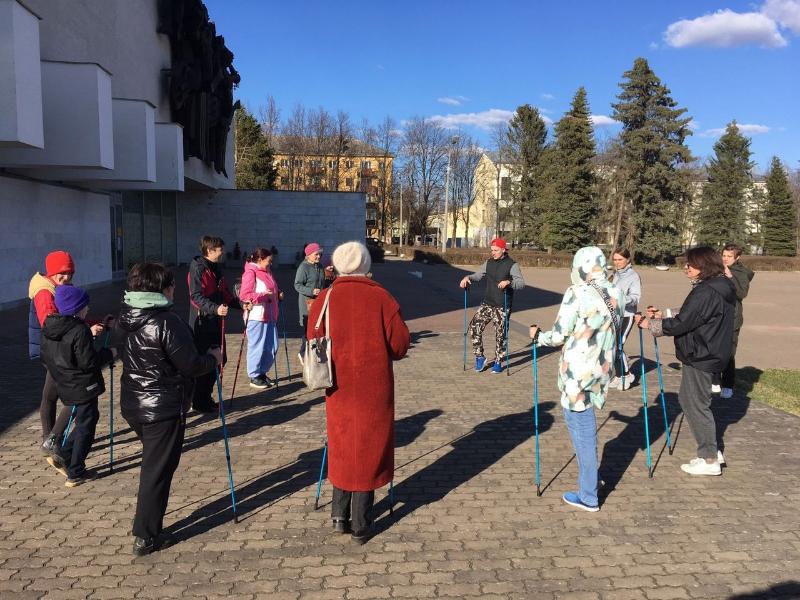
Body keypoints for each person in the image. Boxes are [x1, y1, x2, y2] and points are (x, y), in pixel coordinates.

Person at [307, 241, 410, 543]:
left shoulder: (326, 296)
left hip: (337, 385)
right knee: (368, 447)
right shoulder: (381, 297)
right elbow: (400, 345)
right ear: (365, 264)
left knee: (341, 443)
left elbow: (312, 334)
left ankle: (340, 515)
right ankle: (362, 523)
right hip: (372, 387)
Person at [117, 263, 222, 556]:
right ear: (159, 289)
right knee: (157, 471)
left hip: (135, 404)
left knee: (156, 466)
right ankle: (146, 534)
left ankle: (147, 526)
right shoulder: (166, 321)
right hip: (161, 408)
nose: (175, 289)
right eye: (171, 285)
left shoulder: (126, 314)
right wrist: (214, 358)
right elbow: (191, 365)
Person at [529, 246, 623, 512]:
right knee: (586, 425)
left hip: (578, 371)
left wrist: (539, 336)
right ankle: (591, 479)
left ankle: (589, 494)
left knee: (581, 429)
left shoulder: (577, 293)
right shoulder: (616, 292)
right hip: (602, 368)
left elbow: (559, 334)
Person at [636, 246, 735, 476]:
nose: (685, 268)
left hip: (702, 354)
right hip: (708, 351)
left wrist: (649, 325)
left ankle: (709, 457)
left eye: (689, 264)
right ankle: (711, 449)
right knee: (690, 399)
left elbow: (683, 323)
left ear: (703, 265)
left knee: (695, 403)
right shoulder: (718, 286)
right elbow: (693, 313)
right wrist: (665, 314)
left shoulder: (707, 290)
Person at [29, 251, 107, 458]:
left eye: (69, 274)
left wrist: (94, 322)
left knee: (50, 395)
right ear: (51, 272)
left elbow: (70, 317)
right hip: (57, 352)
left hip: (56, 351)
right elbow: (54, 325)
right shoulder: (44, 292)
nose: (66, 278)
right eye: (61, 274)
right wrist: (85, 332)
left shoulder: (57, 287)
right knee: (74, 397)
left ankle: (49, 439)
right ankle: (52, 438)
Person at [40, 285, 115, 487]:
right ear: (76, 309)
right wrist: (110, 354)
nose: (88, 309)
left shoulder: (50, 327)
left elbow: (51, 356)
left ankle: (65, 453)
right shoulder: (79, 330)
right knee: (86, 427)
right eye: (85, 306)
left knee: (85, 419)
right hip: (84, 385)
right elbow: (89, 362)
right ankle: (76, 471)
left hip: (65, 384)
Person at [188, 235, 244, 413]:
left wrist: (241, 305)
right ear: (209, 250)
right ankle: (199, 400)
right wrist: (214, 308)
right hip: (203, 322)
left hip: (216, 321)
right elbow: (195, 296)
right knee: (205, 361)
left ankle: (205, 397)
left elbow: (225, 292)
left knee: (220, 359)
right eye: (220, 249)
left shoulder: (217, 268)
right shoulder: (198, 268)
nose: (223, 252)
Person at [459, 238, 525, 374]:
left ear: (503, 250)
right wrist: (468, 278)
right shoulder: (488, 263)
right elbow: (478, 275)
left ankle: (498, 361)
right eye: (492, 250)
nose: (493, 253)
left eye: (495, 250)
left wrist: (509, 282)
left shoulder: (512, 265)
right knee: (474, 328)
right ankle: (480, 357)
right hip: (487, 303)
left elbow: (521, 283)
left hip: (502, 305)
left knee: (500, 335)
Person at [239, 247, 283, 389]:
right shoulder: (250, 272)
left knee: (272, 346)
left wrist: (278, 294)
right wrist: (264, 296)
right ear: (260, 259)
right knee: (257, 346)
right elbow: (245, 295)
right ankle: (254, 375)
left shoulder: (267, 272)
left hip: (270, 315)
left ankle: (262, 372)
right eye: (269, 261)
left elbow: (271, 290)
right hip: (257, 316)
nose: (270, 263)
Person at [719, 243, 754, 399]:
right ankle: (713, 380)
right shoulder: (717, 269)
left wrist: (730, 276)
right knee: (714, 350)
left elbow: (741, 293)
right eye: (724, 255)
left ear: (737, 258)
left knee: (728, 353)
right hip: (716, 316)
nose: (725, 259)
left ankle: (727, 385)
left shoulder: (740, 273)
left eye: (729, 256)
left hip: (732, 318)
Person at [609, 248, 641, 390]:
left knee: (618, 346)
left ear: (628, 259)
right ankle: (618, 375)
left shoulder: (633, 276)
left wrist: (621, 300)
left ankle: (627, 375)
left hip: (626, 316)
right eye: (615, 259)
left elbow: (635, 298)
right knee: (612, 346)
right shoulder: (615, 274)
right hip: (613, 316)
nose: (617, 262)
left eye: (620, 259)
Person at [294, 242, 328, 364]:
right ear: (308, 255)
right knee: (307, 327)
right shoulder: (303, 267)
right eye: (316, 254)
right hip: (306, 302)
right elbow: (297, 285)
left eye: (320, 254)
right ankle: (302, 353)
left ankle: (312, 352)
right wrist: (311, 291)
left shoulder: (319, 266)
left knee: (316, 327)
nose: (319, 257)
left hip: (318, 302)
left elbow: (322, 282)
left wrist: (329, 274)